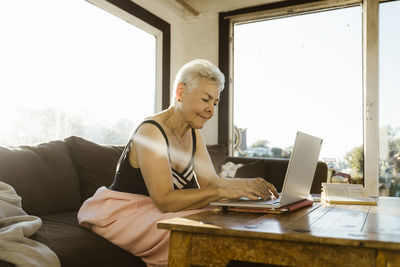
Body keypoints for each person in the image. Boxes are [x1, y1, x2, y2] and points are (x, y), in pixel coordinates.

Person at [77, 59, 278, 267]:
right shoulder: (151, 131)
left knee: (226, 217)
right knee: (207, 230)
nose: (211, 110)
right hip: (122, 213)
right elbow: (164, 200)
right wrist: (222, 193)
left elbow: (209, 181)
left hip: (153, 209)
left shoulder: (193, 132)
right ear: (181, 92)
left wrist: (247, 185)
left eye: (215, 103)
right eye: (206, 99)